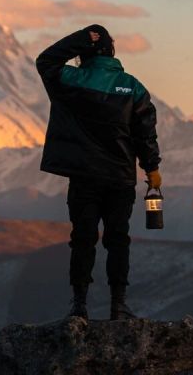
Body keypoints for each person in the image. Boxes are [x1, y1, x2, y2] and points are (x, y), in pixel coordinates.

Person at [35, 25, 161, 321]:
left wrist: (79, 39)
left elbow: (45, 61)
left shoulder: (70, 80)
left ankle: (79, 306)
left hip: (84, 177)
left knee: (83, 238)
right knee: (118, 239)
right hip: (120, 178)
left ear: (83, 54)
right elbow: (146, 134)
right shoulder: (133, 87)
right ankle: (119, 305)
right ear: (112, 52)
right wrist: (152, 168)